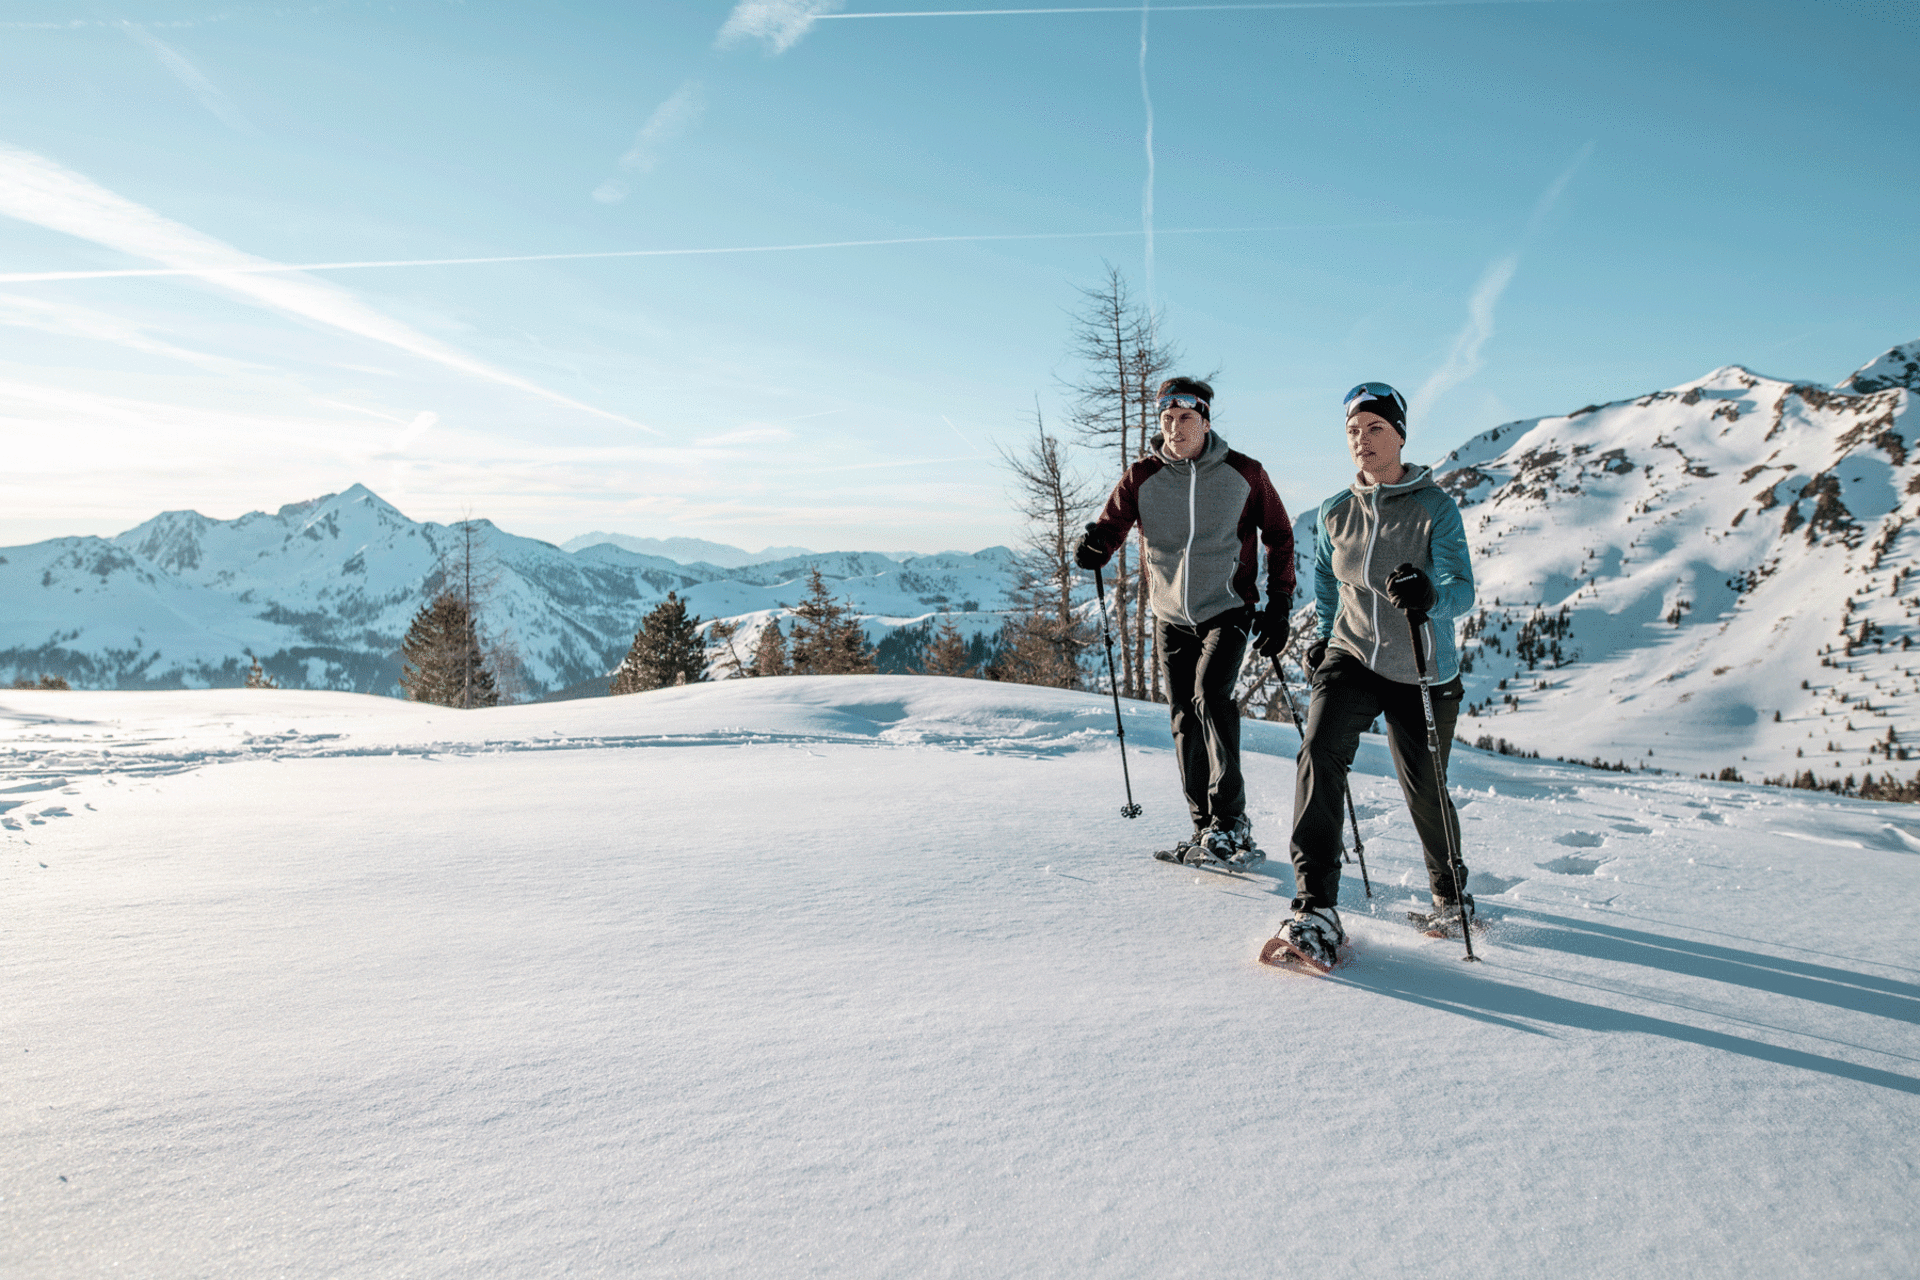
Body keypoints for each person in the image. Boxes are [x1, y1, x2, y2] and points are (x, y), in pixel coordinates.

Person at [1276, 381, 1477, 969]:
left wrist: (1428, 594)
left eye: (1374, 429)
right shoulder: (1337, 510)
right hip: (1353, 655)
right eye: (1353, 431)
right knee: (1318, 753)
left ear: (1399, 436)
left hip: (1422, 666)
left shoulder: (1434, 507)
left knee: (1422, 786)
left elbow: (1462, 591)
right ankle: (1315, 908)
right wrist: (1322, 638)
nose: (1362, 441)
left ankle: (1449, 895)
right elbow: (1323, 578)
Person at [1074, 377, 1294, 866]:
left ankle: (1231, 823)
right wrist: (1094, 548)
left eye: (1185, 418)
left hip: (1228, 607)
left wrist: (1280, 601)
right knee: (1182, 718)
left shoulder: (1245, 473)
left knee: (1211, 696)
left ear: (1206, 421)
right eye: (1167, 420)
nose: (1175, 428)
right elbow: (1109, 529)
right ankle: (1204, 829)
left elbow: (1280, 534)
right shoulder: (1141, 477)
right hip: (1170, 615)